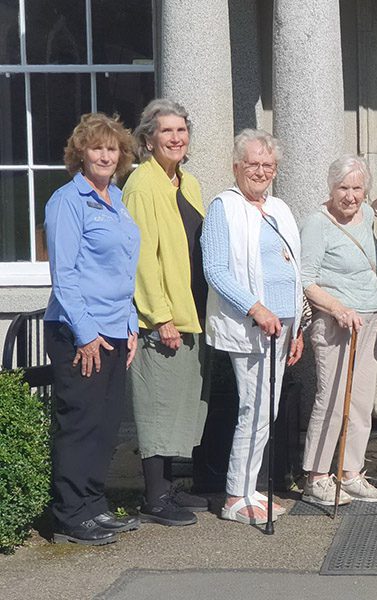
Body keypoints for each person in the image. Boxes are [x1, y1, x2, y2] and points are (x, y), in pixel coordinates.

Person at [43, 113, 140, 545]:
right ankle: (70, 513)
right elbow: (64, 276)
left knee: (105, 424)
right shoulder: (67, 201)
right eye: (97, 147)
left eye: (112, 148)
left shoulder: (116, 199)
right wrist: (85, 334)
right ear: (80, 153)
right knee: (80, 423)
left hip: (115, 329)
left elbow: (123, 270)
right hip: (79, 332)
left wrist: (131, 324)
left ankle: (93, 505)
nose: (105, 154)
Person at [202, 129, 305, 525]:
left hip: (282, 327)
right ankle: (234, 497)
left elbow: (293, 270)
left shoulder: (278, 208)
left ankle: (250, 488)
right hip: (250, 327)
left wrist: (297, 327)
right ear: (236, 167)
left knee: (267, 409)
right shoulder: (223, 207)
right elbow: (216, 270)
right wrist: (256, 309)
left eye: (268, 165)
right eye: (253, 164)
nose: (261, 171)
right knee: (255, 408)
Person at [122, 98, 209, 527]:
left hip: (191, 310)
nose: (176, 138)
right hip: (162, 317)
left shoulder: (187, 183)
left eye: (181, 130)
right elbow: (141, 259)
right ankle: (154, 498)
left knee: (178, 404)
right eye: (166, 132)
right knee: (156, 405)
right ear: (148, 140)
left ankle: (169, 486)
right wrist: (160, 316)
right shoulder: (142, 185)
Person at [299, 155, 377, 505]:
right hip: (336, 322)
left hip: (370, 319)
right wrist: (338, 308)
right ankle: (317, 477)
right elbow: (306, 280)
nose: (351, 196)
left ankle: (351, 473)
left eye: (357, 188)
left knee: (362, 400)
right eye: (343, 188)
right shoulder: (316, 224)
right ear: (330, 187)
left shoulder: (366, 214)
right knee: (333, 398)